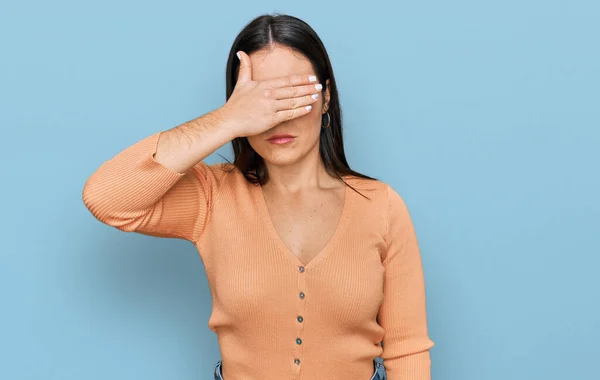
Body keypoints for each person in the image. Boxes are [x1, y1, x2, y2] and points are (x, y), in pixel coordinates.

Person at [82, 13, 434, 380]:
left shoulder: (381, 206)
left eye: (294, 94)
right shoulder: (211, 197)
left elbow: (407, 349)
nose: (277, 118)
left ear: (326, 97)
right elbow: (106, 198)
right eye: (261, 100)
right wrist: (228, 119)